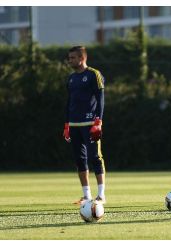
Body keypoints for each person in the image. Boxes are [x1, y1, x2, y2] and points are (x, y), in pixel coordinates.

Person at [63, 46, 106, 205]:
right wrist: (67, 124)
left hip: (90, 123)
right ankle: (87, 195)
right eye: (69, 58)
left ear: (82, 58)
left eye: (72, 58)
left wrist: (98, 121)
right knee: (80, 159)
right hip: (74, 124)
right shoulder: (71, 78)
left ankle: (101, 195)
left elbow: (100, 99)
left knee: (95, 157)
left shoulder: (94, 74)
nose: (70, 61)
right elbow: (69, 102)